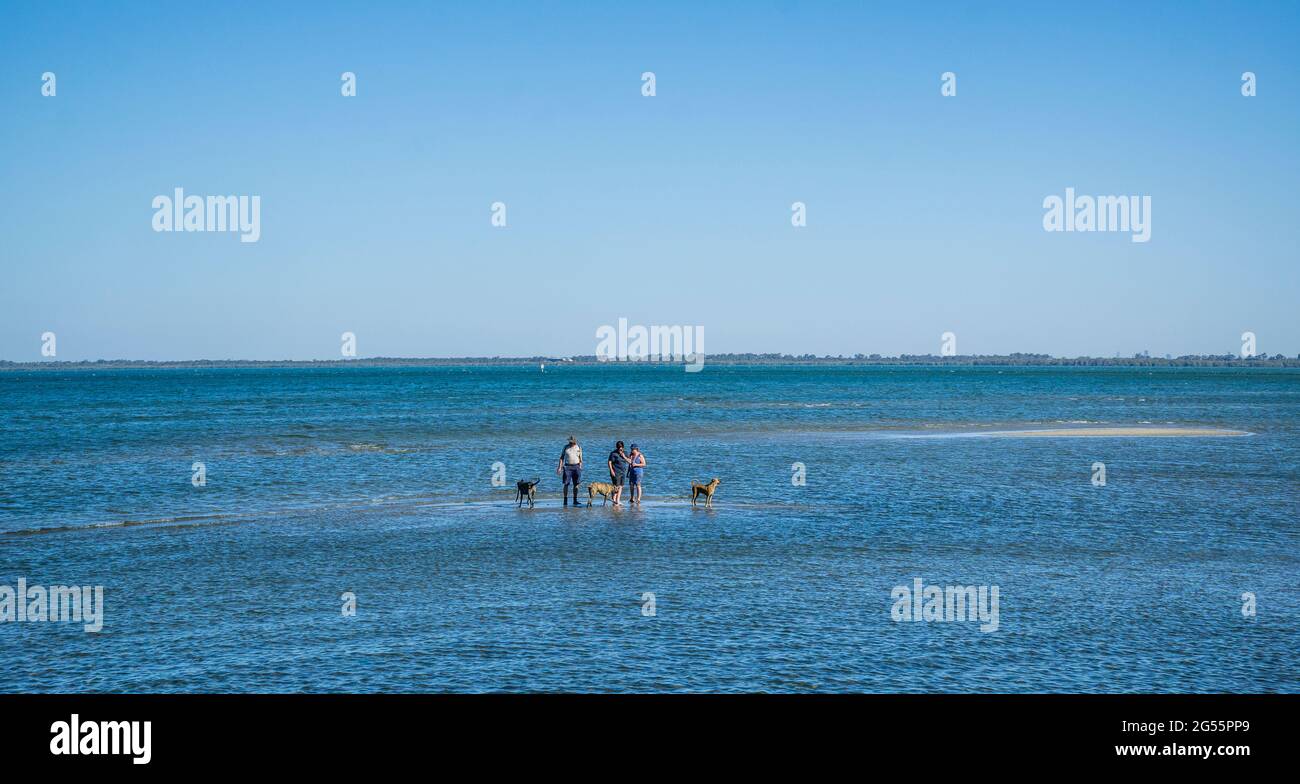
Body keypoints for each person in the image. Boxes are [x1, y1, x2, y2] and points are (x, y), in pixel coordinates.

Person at [557, 436, 583, 506]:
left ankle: (575, 500)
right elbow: (561, 458)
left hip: (576, 466)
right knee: (566, 484)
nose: (570, 442)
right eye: (569, 441)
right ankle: (565, 500)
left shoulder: (579, 447)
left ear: (575, 441)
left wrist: (580, 466)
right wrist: (559, 467)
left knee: (576, 484)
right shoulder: (565, 447)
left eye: (571, 441)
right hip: (567, 467)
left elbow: (581, 458)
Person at [607, 441, 630, 506]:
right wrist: (611, 470)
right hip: (616, 472)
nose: (620, 449)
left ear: (623, 447)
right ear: (617, 447)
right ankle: (614, 500)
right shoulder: (613, 453)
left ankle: (618, 500)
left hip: (623, 472)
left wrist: (624, 456)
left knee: (621, 486)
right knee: (616, 487)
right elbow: (609, 462)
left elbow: (630, 461)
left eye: (621, 448)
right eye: (619, 448)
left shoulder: (625, 453)